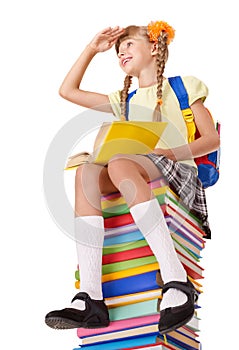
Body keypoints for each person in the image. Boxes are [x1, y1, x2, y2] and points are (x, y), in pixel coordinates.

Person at [45, 21, 220, 334]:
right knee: (86, 172)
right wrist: (91, 49)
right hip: (131, 166)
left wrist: (169, 152)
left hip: (178, 169)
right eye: (117, 50)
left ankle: (176, 279)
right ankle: (91, 298)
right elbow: (67, 90)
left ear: (154, 47)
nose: (120, 53)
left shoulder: (184, 86)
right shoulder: (123, 100)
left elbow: (211, 139)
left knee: (121, 162)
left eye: (128, 45)